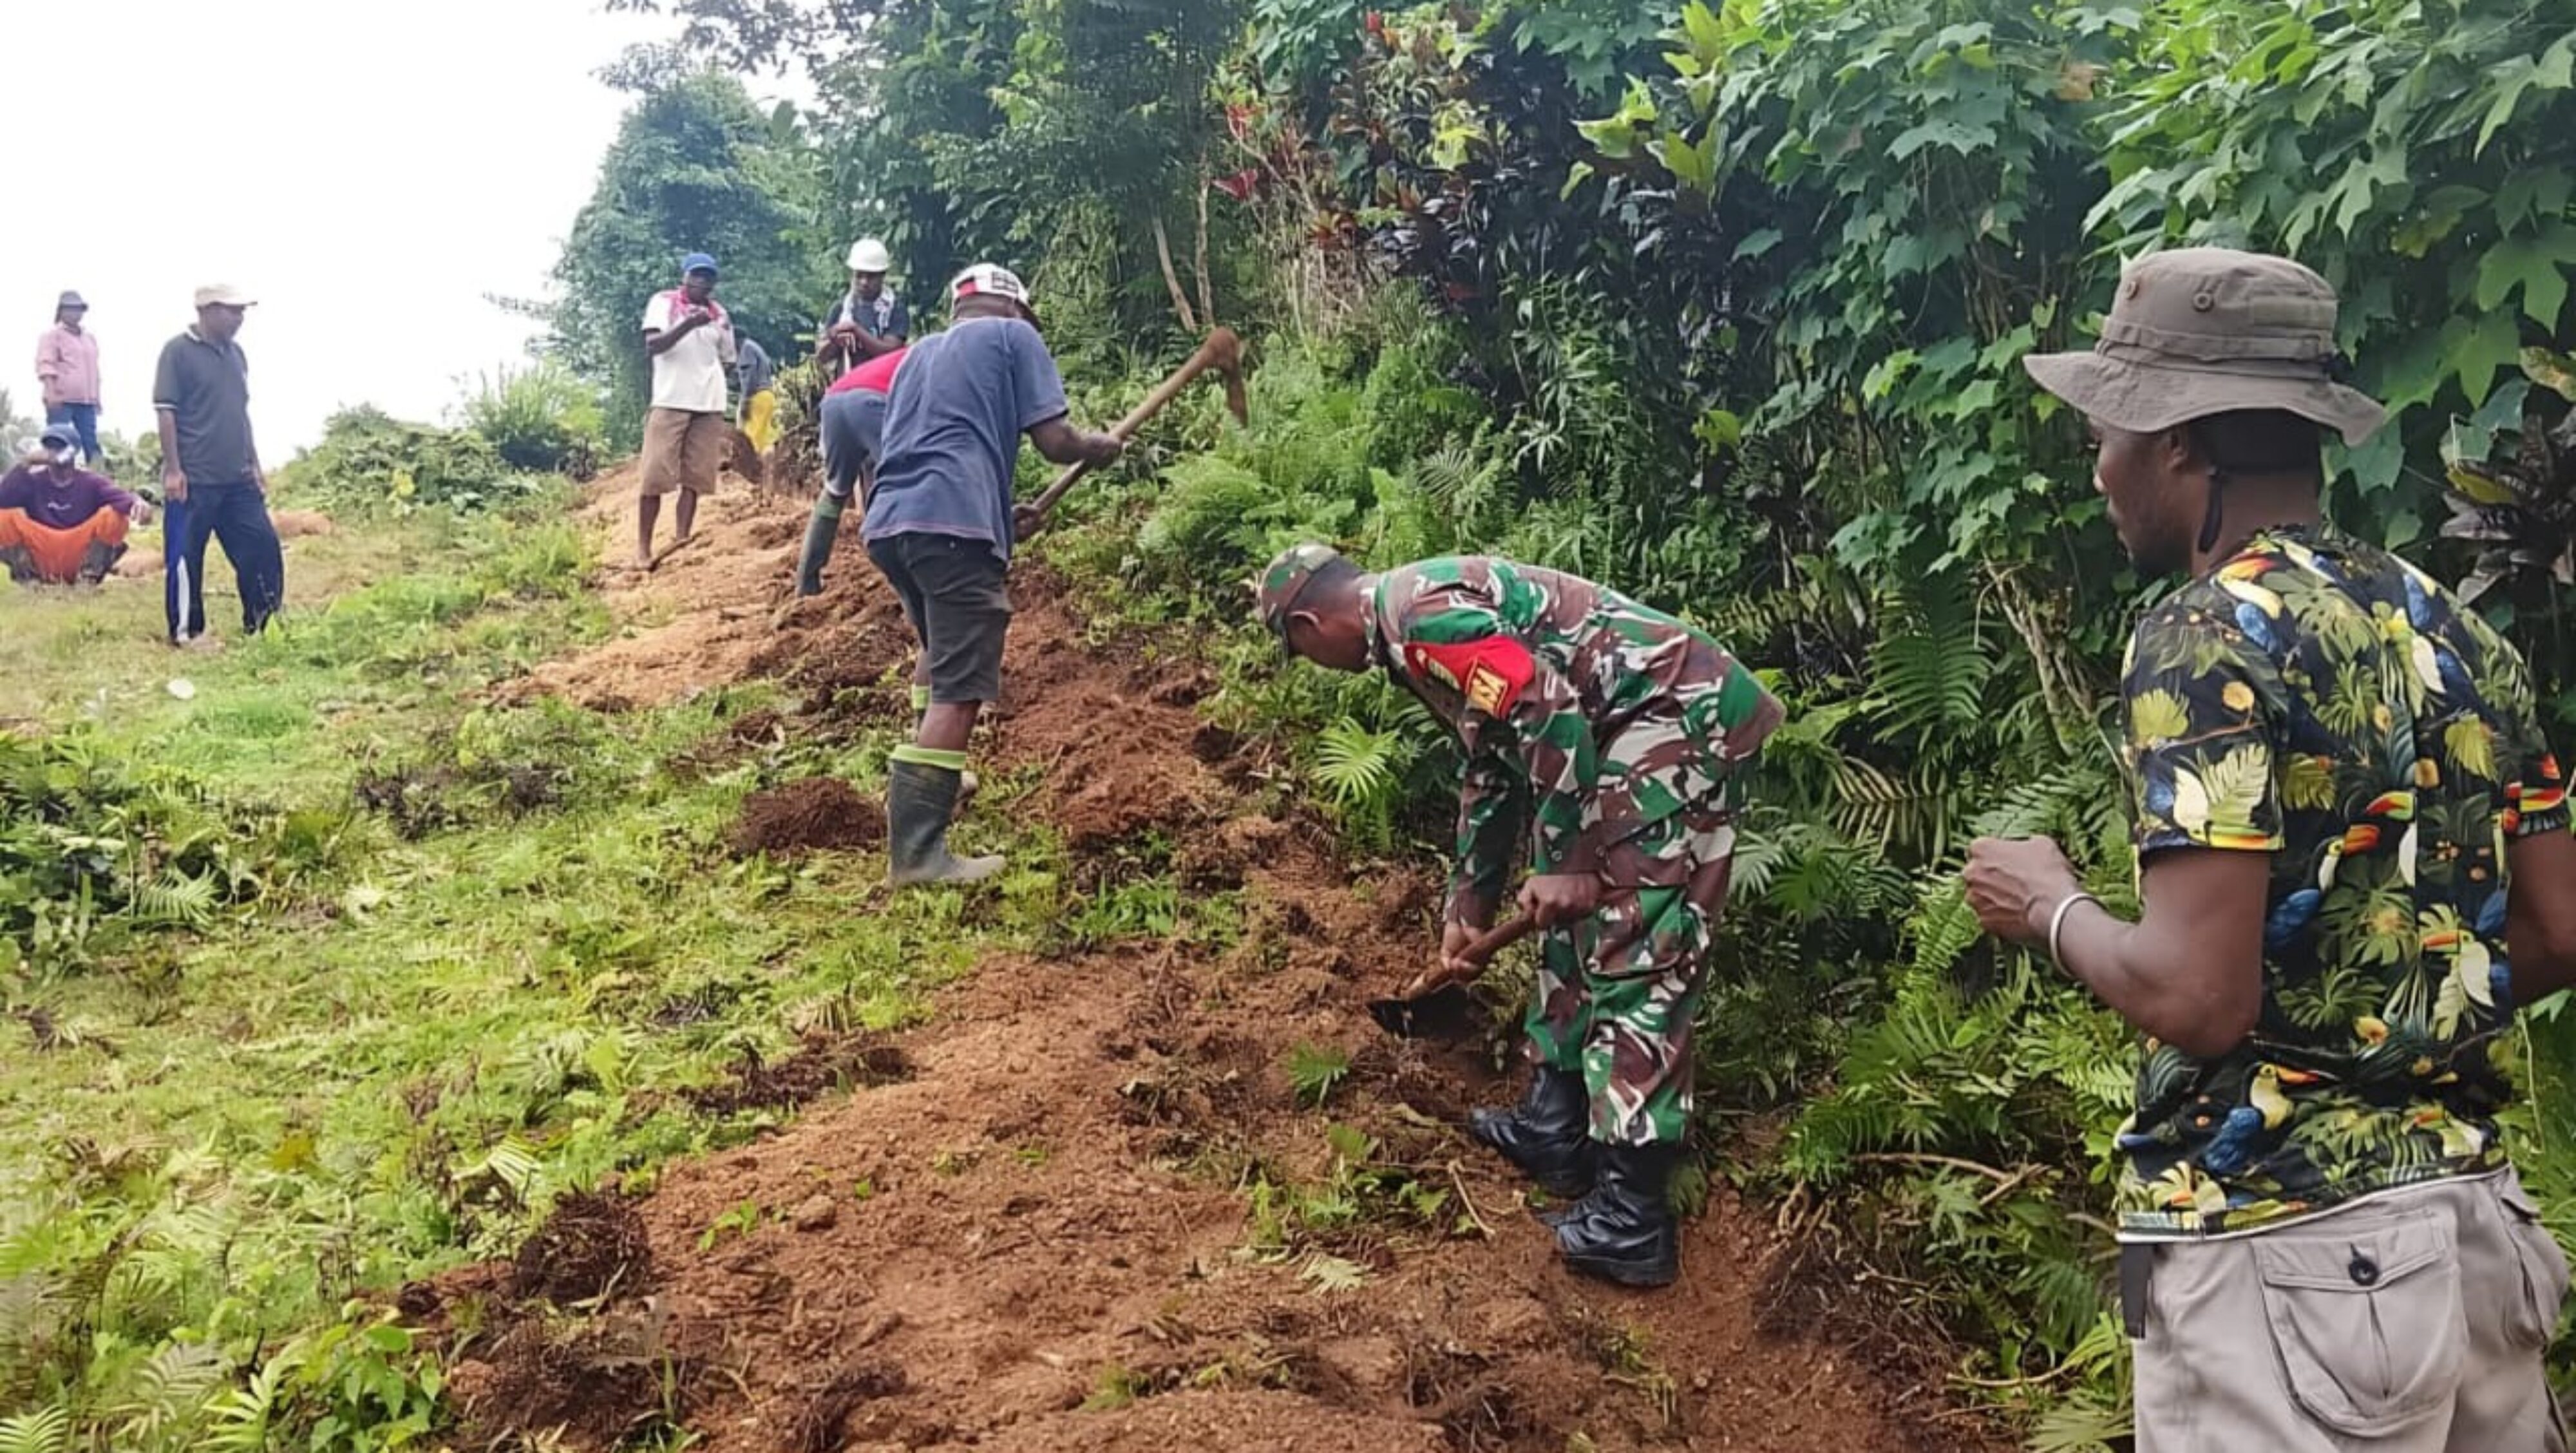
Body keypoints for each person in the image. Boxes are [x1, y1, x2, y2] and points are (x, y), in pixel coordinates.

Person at [1964, 247, 2573, 1452]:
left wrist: (2047, 906)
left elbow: (2199, 996)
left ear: (2183, 445)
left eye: (2112, 435)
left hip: (2288, 1269)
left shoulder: (2205, 636)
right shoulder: (2444, 621)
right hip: (2475, 1244)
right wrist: (2391, 1025)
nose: (2101, 470)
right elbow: (2557, 930)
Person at [1255, 545, 1785, 1287]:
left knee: (1639, 949)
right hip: (1614, 736)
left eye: (1298, 650)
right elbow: (1493, 761)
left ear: (1310, 623)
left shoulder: (1422, 621)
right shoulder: (1410, 630)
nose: (1310, 662)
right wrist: (1466, 908)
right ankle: (1554, 1124)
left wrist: (1564, 863)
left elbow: (1550, 707)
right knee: (1566, 918)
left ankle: (1631, 1219)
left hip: (1673, 720)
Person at [860, 263, 1119, 886]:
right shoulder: (1013, 338)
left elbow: (927, 447)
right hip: (951, 522)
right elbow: (1055, 441)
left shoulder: (917, 354)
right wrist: (1097, 448)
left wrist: (999, 517)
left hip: (892, 523)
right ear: (1015, 309)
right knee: (962, 684)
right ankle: (919, 856)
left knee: (937, 649)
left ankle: (939, 775)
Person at [153, 285, 285, 647]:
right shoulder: (177, 352)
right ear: (208, 310)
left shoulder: (236, 355)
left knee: (262, 548)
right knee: (186, 558)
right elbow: (167, 412)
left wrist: (255, 464)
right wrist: (174, 469)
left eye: (243, 311)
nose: (240, 318)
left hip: (237, 478)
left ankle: (264, 624)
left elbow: (240, 414)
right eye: (233, 311)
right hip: (195, 478)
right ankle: (188, 633)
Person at [636, 252, 738, 570]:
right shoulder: (663, 303)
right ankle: (643, 548)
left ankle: (682, 538)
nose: (702, 282)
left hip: (708, 404)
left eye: (708, 277)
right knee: (654, 475)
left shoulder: (720, 315)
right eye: (696, 276)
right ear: (684, 277)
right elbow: (654, 345)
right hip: (670, 400)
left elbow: (729, 359)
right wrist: (688, 324)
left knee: (696, 476)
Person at [797, 343, 909, 598]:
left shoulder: (916, 352)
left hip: (835, 400)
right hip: (871, 402)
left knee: (835, 490)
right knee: (906, 480)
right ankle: (902, 570)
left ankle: (806, 581)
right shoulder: (944, 360)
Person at [0, 423, 149, 584]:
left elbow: (123, 499)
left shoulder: (91, 482)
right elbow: (3, 499)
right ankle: (29, 579)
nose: (53, 451)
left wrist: (138, 504)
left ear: (74, 450)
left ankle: (88, 579)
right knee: (5, 517)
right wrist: (25, 463)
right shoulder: (32, 481)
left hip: (78, 552)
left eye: (59, 446)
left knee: (114, 517)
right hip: (42, 550)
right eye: (49, 446)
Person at [819, 238, 908, 375]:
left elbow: (891, 352)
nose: (864, 282)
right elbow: (822, 357)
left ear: (882, 276)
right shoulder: (841, 309)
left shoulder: (895, 309)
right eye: (859, 276)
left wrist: (856, 330)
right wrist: (835, 340)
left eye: (871, 277)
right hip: (848, 386)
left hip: (883, 387)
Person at [34, 291, 102, 465]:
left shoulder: (89, 339)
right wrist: (51, 393)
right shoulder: (52, 335)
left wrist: (97, 399)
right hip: (62, 400)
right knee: (58, 445)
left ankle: (98, 480)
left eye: (78, 309)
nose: (75, 313)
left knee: (91, 443)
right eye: (71, 309)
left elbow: (94, 371)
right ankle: (54, 481)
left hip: (86, 402)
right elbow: (46, 364)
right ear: (62, 312)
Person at [737, 335, 779, 456]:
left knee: (750, 437)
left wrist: (745, 401)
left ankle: (751, 469)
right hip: (767, 395)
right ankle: (767, 470)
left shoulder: (746, 349)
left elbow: (750, 378)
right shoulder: (755, 347)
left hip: (757, 397)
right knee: (763, 437)